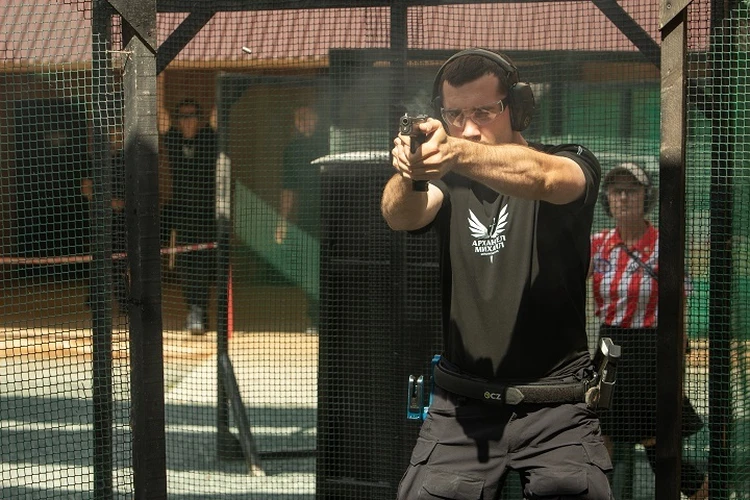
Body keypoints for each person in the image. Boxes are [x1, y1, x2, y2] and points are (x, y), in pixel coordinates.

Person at [382, 48, 613, 499]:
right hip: (461, 406)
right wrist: (411, 171)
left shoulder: (568, 158)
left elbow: (544, 178)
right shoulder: (448, 179)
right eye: (455, 115)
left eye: (483, 111)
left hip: (558, 405)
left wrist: (453, 151)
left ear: (517, 108)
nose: (468, 127)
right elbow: (399, 215)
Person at [590, 162, 708, 500]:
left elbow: (680, 301)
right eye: (617, 191)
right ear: (607, 199)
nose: (624, 197)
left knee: (657, 441)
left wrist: (678, 355)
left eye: (632, 190)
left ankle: (704, 490)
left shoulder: (664, 243)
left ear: (647, 196)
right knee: (599, 434)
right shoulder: (597, 244)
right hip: (609, 344)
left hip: (650, 346)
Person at [163, 98, 218, 334]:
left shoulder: (208, 138)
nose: (187, 121)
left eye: (192, 115)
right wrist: (157, 80)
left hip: (206, 216)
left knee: (202, 266)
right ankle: (194, 311)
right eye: (183, 116)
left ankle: (199, 312)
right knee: (185, 267)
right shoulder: (173, 139)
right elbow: (160, 115)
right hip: (182, 216)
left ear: (199, 119)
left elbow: (218, 114)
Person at [275, 105, 328, 334]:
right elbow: (289, 188)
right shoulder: (292, 149)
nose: (304, 122)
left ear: (317, 118)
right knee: (311, 266)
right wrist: (282, 222)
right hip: (308, 217)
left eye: (308, 117)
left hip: (335, 214)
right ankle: (315, 318)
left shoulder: (329, 142)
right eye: (299, 118)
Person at [81, 126, 128, 314]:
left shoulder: (125, 160)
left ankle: (124, 300)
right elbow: (86, 189)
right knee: (99, 259)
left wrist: (123, 203)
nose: (113, 139)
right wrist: (108, 202)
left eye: (117, 135)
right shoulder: (93, 160)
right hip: (101, 219)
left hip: (123, 220)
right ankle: (96, 297)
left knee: (121, 260)